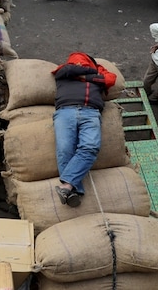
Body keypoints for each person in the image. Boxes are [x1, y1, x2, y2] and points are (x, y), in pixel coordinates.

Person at [51, 52, 116, 207]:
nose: (80, 64)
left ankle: (66, 186)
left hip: (91, 112)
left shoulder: (101, 71)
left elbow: (111, 79)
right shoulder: (64, 71)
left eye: (84, 62)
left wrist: (87, 75)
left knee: (90, 147)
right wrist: (93, 74)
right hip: (65, 112)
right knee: (65, 149)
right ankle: (73, 190)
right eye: (77, 62)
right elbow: (69, 71)